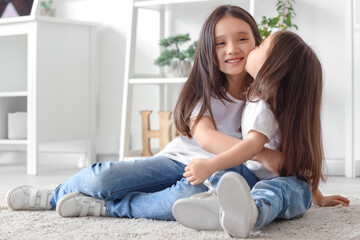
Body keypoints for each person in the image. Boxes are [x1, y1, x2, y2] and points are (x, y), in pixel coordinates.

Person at [6, 5, 348, 222]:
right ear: (206, 51)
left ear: (259, 47)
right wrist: (265, 154)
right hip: (181, 159)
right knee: (104, 178)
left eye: (244, 39)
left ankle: (109, 208)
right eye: (220, 43)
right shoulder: (205, 90)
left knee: (185, 199)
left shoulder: (266, 97)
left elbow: (296, 148)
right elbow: (206, 138)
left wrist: (312, 191)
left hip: (223, 173)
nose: (233, 49)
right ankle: (53, 195)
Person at [173, 30, 350, 238]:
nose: (253, 49)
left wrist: (211, 164)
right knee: (229, 176)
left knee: (279, 191)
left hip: (279, 182)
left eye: (260, 47)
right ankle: (221, 206)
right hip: (254, 176)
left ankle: (252, 213)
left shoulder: (263, 105)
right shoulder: (258, 99)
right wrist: (317, 197)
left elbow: (253, 147)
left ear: (272, 67)